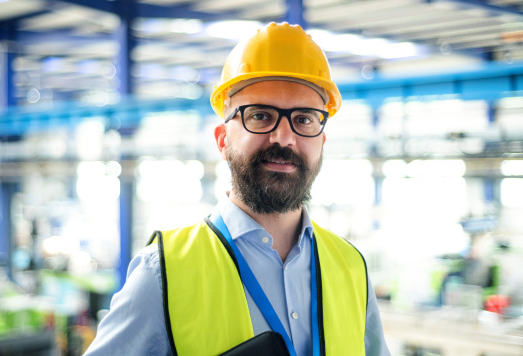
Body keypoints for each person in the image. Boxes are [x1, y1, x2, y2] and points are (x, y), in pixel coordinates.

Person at [84, 22, 390, 356]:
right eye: (260, 115)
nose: (284, 137)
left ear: (322, 141)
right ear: (222, 140)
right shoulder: (162, 273)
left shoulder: (351, 267)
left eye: (303, 119)